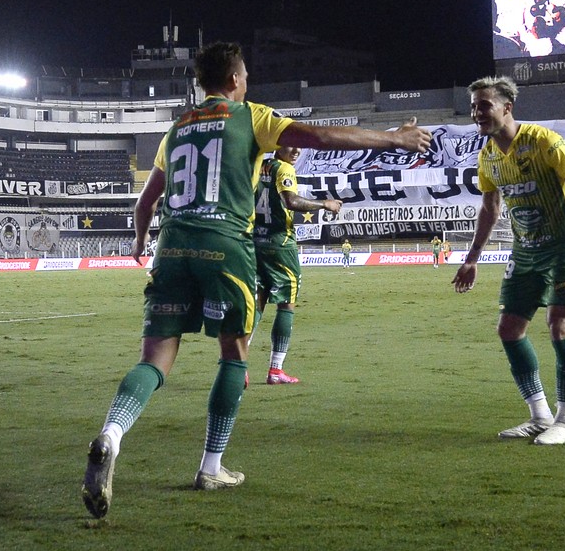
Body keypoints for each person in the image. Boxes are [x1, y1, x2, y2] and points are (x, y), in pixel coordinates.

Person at [81, 41, 430, 519]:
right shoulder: (251, 116)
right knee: (234, 354)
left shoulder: (176, 128)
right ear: (234, 80)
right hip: (224, 245)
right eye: (245, 75)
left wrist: (142, 242)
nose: (247, 82)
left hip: (171, 247)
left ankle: (112, 434)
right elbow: (320, 137)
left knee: (155, 358)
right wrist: (392, 138)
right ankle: (211, 467)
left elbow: (146, 203)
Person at [452, 76, 565, 446]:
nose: (477, 112)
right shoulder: (487, 156)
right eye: (473, 106)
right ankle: (539, 416)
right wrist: (472, 258)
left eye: (484, 105)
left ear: (507, 107)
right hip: (525, 249)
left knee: (559, 323)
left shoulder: (545, 142)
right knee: (509, 329)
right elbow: (490, 208)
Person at [253, 146, 342, 384]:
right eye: (290, 144)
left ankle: (238, 366)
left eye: (299, 145)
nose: (296, 150)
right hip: (280, 245)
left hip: (255, 242)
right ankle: (276, 370)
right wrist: (325, 204)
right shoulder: (284, 169)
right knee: (286, 304)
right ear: (277, 145)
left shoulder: (259, 165)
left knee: (257, 303)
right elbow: (291, 201)